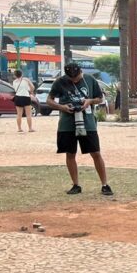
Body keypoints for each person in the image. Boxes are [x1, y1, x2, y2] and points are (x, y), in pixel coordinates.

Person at [47, 63, 113, 196]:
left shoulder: (90, 80)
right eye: (71, 79)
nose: (74, 80)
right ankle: (76, 185)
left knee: (95, 153)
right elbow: (49, 100)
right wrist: (62, 107)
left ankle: (105, 185)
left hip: (88, 123)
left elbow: (100, 99)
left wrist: (89, 102)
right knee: (70, 154)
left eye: (76, 78)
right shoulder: (60, 82)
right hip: (67, 124)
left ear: (81, 72)